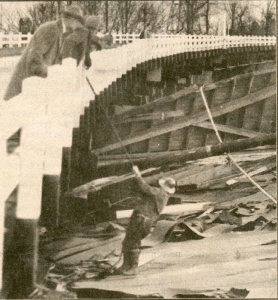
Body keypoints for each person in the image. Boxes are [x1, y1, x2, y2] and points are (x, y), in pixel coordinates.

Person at [4, 6, 88, 100]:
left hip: (35, 86)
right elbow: (34, 58)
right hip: (24, 85)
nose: (76, 27)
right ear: (72, 20)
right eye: (78, 23)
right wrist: (51, 73)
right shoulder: (51, 29)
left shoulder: (60, 32)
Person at [116, 165, 176, 276]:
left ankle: (133, 267)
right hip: (140, 218)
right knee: (128, 242)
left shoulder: (160, 193)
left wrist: (137, 174)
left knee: (133, 243)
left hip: (142, 220)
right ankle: (125, 266)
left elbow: (144, 187)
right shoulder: (160, 195)